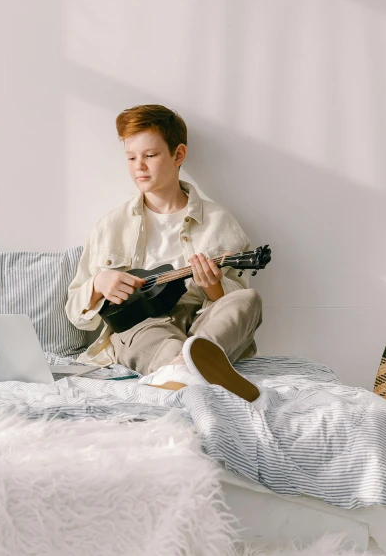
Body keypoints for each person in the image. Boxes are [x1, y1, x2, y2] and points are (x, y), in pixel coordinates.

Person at [65, 104, 263, 403]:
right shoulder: (111, 225)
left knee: (250, 300)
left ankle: (182, 371)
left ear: (178, 155)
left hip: (202, 328)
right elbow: (76, 314)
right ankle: (197, 370)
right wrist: (97, 284)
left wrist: (214, 289)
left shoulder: (220, 223)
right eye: (131, 157)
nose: (138, 166)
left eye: (150, 155)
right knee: (141, 331)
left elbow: (234, 310)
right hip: (141, 330)